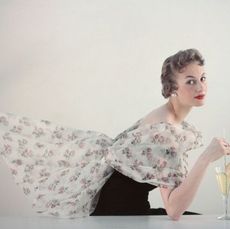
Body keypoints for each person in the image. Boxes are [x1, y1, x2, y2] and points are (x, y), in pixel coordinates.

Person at [0, 49, 229, 221]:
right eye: (190, 81)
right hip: (118, 215)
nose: (201, 87)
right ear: (173, 88)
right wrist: (206, 158)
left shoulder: (167, 118)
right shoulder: (165, 129)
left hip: (119, 209)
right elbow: (174, 210)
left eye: (203, 78)